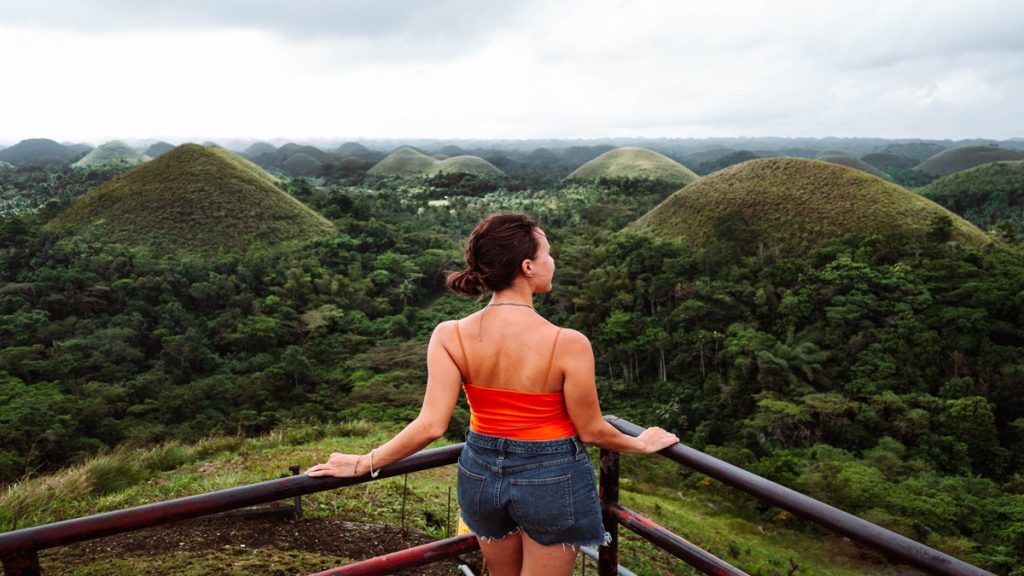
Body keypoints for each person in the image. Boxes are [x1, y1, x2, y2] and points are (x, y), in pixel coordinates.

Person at [307, 213, 678, 576]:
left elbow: (431, 425)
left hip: (479, 472)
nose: (554, 261)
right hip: (550, 477)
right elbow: (593, 430)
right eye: (548, 253)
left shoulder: (449, 334)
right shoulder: (568, 343)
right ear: (528, 266)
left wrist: (364, 462)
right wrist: (641, 443)